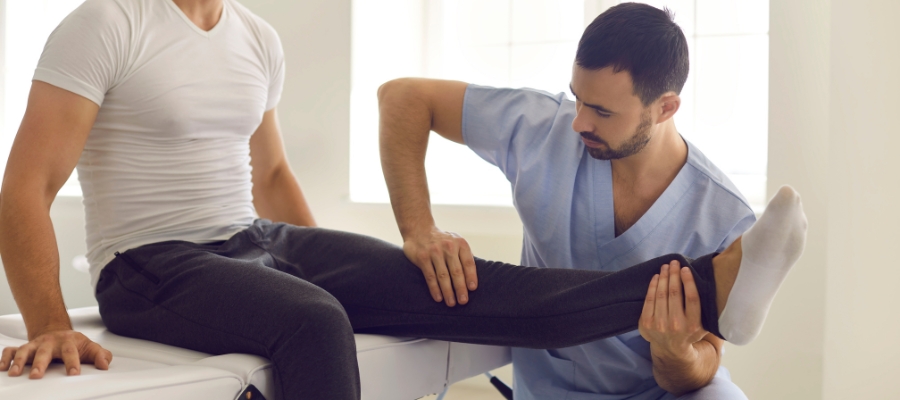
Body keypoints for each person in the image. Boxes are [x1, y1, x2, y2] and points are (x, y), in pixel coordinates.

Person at [0, 1, 807, 399]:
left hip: (254, 236)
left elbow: (271, 174)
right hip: (149, 261)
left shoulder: (255, 38)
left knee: (464, 285)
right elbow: (26, 184)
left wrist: (317, 267)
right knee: (313, 321)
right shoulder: (107, 23)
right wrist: (48, 322)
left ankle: (711, 288)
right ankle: (712, 284)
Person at [377, 3, 792, 399]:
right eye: (577, 97)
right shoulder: (543, 127)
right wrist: (419, 228)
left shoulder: (721, 214)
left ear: (665, 108)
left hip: (661, 391)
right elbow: (402, 96)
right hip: (551, 389)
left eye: (602, 112)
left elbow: (698, 370)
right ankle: (715, 274)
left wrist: (675, 350)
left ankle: (723, 279)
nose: (578, 122)